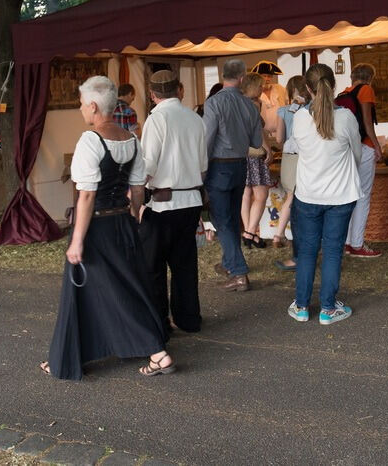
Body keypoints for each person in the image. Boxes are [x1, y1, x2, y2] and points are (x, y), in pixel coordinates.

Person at [41, 76, 174, 379]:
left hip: (97, 227)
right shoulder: (130, 138)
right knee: (107, 288)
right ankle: (66, 357)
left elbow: (86, 195)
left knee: (112, 290)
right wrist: (135, 214)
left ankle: (157, 352)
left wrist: (76, 241)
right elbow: (138, 187)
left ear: (92, 106)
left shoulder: (91, 140)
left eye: (80, 104)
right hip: (122, 222)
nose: (79, 109)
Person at [288, 64, 362, 325]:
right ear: (333, 84)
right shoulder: (347, 117)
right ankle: (328, 309)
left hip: (308, 194)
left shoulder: (298, 118)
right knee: (332, 252)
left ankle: (301, 306)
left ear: (307, 88)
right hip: (340, 195)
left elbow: (299, 150)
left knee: (307, 251)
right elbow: (356, 154)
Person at [138, 70, 208, 335]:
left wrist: (137, 193)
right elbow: (202, 167)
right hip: (190, 200)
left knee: (154, 267)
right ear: (180, 90)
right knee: (185, 265)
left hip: (162, 204)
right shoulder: (194, 118)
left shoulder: (157, 119)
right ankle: (189, 319)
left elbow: (148, 165)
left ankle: (160, 324)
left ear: (153, 94)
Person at [202, 58, 263, 291]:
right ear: (242, 78)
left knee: (222, 219)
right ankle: (229, 262)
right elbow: (257, 141)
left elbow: (207, 139)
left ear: (222, 76)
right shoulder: (249, 104)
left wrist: (201, 170)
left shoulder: (214, 103)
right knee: (231, 219)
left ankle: (238, 272)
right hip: (241, 165)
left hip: (219, 166)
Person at [339, 63, 383, 258]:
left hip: (346, 149)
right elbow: (367, 121)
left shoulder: (343, 93)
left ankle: (347, 241)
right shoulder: (365, 90)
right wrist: (377, 145)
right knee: (363, 195)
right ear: (370, 78)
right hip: (364, 146)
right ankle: (357, 243)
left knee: (349, 194)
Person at [271, 75, 307, 269]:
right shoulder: (310, 110)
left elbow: (278, 138)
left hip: (289, 157)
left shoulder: (283, 111)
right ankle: (280, 234)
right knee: (299, 199)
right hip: (306, 156)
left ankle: (279, 233)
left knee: (290, 197)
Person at [240, 72, 274, 249]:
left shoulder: (238, 102)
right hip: (254, 154)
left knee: (246, 194)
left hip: (241, 153)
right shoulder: (253, 104)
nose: (263, 88)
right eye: (260, 86)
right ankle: (250, 232)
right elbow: (258, 131)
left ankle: (248, 232)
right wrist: (268, 149)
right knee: (261, 194)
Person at [252, 60, 288, 137]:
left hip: (282, 132)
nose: (267, 79)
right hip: (263, 135)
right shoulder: (254, 93)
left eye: (269, 76)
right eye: (264, 76)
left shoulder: (279, 89)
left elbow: (288, 105)